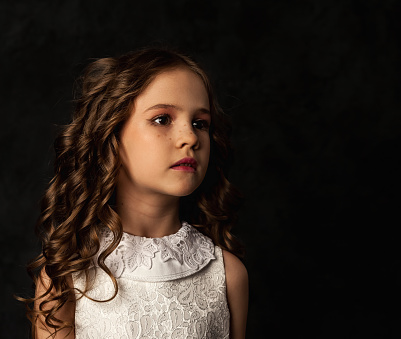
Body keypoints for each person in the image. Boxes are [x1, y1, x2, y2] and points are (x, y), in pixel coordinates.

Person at [19, 47, 249, 338]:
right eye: (162, 119)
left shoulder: (227, 275)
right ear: (111, 133)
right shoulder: (67, 277)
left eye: (199, 123)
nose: (190, 137)